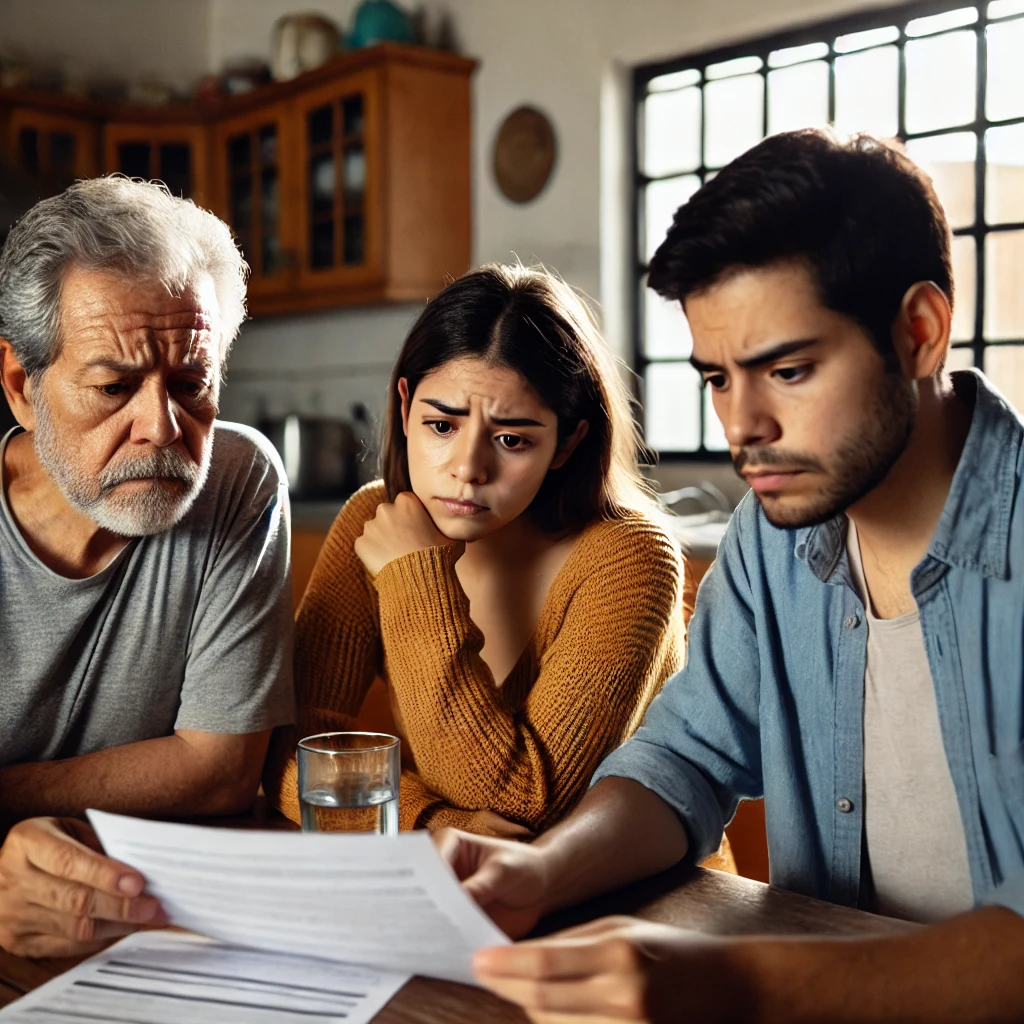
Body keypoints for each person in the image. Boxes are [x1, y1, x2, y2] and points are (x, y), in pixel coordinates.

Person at [438, 130, 1024, 1022]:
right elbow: (682, 759)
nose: (741, 424)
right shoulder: (771, 538)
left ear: (919, 333)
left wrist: (739, 979)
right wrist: (544, 869)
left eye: (788, 370)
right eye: (716, 377)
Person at [264, 264, 709, 841]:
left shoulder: (632, 559)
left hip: (639, 901)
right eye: (441, 425)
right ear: (404, 409)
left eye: (512, 439)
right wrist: (432, 822)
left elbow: (526, 808)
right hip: (446, 878)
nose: (469, 469)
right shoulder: (371, 522)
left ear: (567, 443)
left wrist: (416, 576)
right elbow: (289, 751)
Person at [0, 177, 295, 958]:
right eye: (114, 387)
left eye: (192, 384)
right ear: (20, 387)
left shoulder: (238, 478)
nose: (162, 427)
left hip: (155, 926)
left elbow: (220, 771)